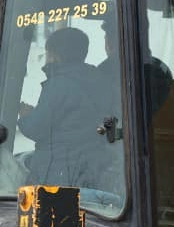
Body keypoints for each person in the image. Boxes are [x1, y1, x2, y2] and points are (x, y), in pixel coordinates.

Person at [17, 25, 113, 191]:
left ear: (54, 54)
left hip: (61, 174)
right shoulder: (101, 80)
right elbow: (106, 124)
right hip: (93, 169)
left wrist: (26, 116)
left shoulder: (59, 84)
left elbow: (36, 128)